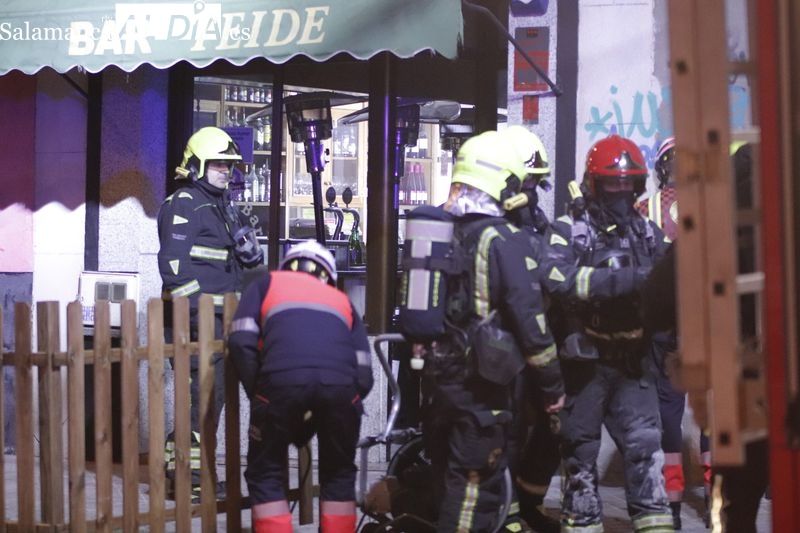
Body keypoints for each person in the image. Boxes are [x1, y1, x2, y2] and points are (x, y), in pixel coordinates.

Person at [413, 130, 565, 533]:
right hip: (482, 394)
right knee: (473, 498)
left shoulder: (440, 234)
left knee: (451, 485)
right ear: (502, 182)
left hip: (439, 386)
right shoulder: (505, 241)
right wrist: (552, 391)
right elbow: (531, 326)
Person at [548, 134, 674, 532]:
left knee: (646, 456)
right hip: (584, 365)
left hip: (634, 366)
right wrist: (622, 281)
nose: (621, 192)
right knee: (580, 463)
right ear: (593, 184)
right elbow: (556, 279)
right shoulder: (568, 230)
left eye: (628, 184)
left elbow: (672, 286)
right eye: (612, 184)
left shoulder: (650, 233)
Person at [228, 240, 373, 533]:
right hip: (343, 391)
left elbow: (241, 341)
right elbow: (365, 373)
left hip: (279, 383)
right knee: (339, 473)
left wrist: (260, 392)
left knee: (266, 471)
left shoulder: (266, 283)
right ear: (328, 274)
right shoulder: (341, 300)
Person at [157, 126, 263, 499]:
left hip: (224, 326)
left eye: (230, 164)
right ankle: (192, 481)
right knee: (200, 402)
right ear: (198, 164)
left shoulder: (224, 206)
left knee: (210, 402)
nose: (226, 170)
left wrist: (251, 254)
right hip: (198, 327)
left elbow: (238, 264)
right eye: (219, 163)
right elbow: (173, 268)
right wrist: (197, 318)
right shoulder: (184, 202)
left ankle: (183, 470)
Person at [635, 136, 711, 529]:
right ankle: (717, 503)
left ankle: (675, 507)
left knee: (668, 419)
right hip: (705, 325)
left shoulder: (644, 208)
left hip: (664, 329)